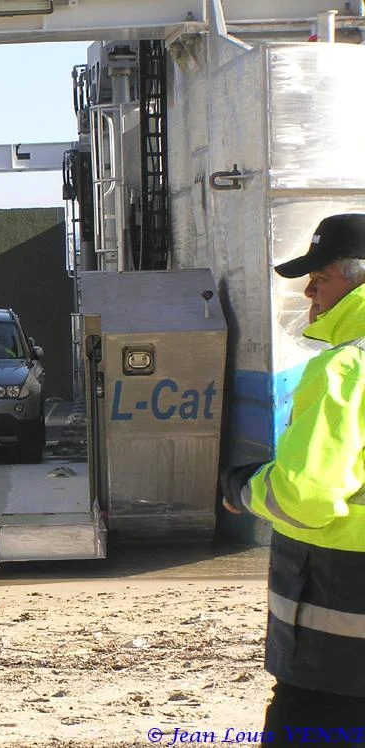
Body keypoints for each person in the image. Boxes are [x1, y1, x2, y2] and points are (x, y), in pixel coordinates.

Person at [221, 213, 365, 739]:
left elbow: (306, 496)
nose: (309, 290)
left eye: (321, 277)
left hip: (341, 621)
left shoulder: (344, 369)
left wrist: (244, 487)